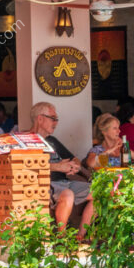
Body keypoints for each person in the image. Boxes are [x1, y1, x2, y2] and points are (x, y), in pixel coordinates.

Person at [26, 101, 94, 238]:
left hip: (66, 182)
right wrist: (58, 166)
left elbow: (74, 158)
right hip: (48, 185)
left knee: (100, 193)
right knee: (68, 195)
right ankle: (62, 238)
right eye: (53, 118)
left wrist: (74, 166)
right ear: (40, 118)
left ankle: (80, 236)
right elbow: (27, 166)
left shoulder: (52, 141)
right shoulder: (27, 140)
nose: (56, 123)